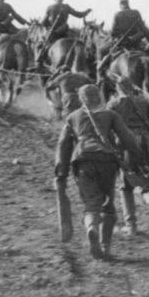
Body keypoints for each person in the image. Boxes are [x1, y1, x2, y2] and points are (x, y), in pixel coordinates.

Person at [55, 84, 143, 261]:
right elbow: (128, 139)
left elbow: (63, 145)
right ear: (100, 97)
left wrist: (61, 172)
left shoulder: (72, 117)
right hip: (107, 162)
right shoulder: (111, 115)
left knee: (90, 204)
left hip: (83, 162)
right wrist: (138, 162)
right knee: (108, 204)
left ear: (82, 99)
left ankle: (91, 228)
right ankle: (105, 247)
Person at [107, 77, 149, 237]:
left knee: (125, 186)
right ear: (131, 87)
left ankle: (131, 226)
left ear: (118, 89)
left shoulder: (113, 104)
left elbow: (107, 128)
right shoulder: (143, 101)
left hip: (126, 147)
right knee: (147, 184)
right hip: (147, 144)